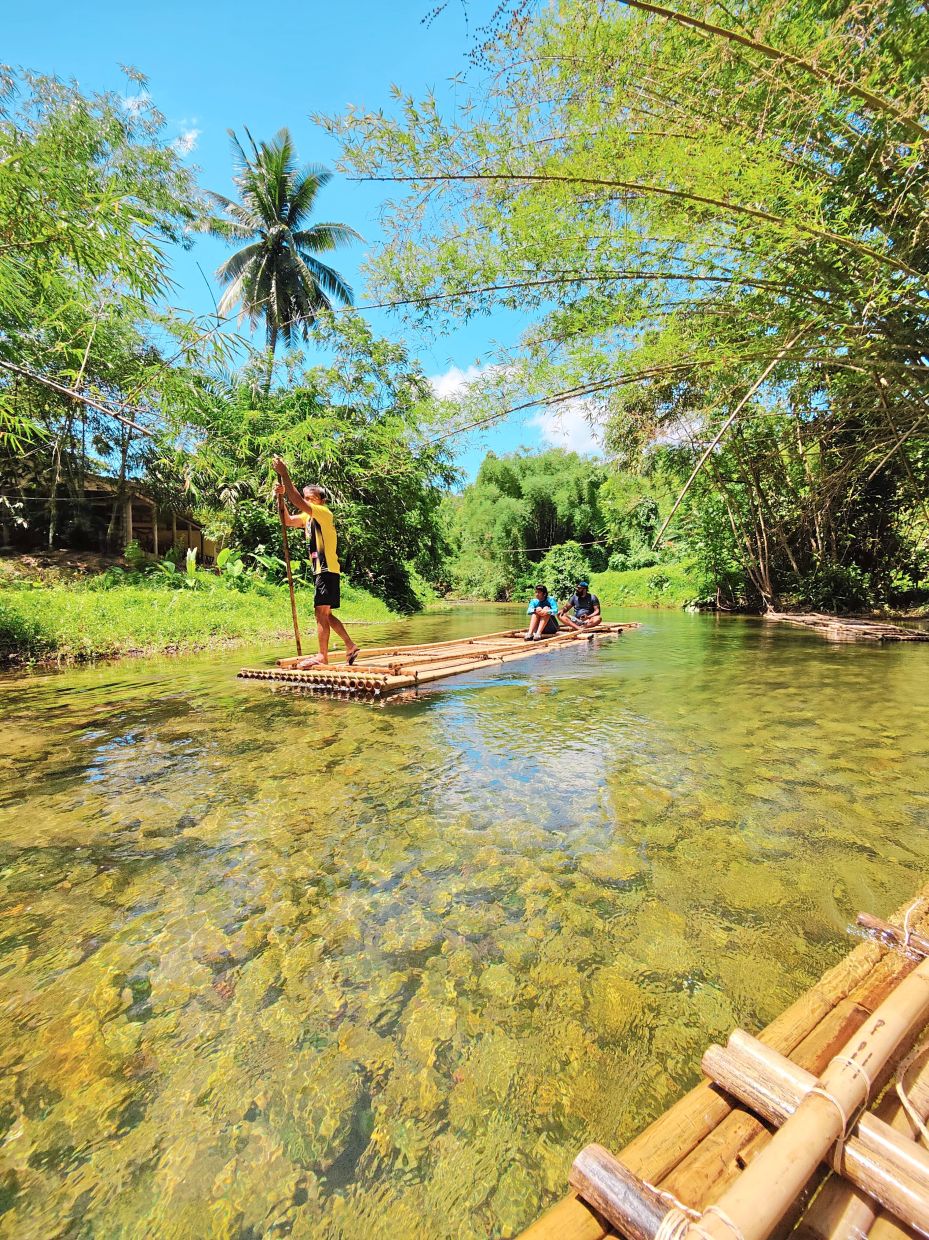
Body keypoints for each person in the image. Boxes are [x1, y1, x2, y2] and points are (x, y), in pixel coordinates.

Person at [272, 456, 360, 669]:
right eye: (305, 498)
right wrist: (280, 498)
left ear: (320, 500)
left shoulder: (323, 513)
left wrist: (284, 474)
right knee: (325, 613)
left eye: (310, 499)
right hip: (322, 570)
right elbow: (286, 519)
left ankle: (322, 656)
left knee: (321, 612)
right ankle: (350, 645)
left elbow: (296, 501)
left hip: (327, 568)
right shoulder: (308, 518)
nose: (306, 502)